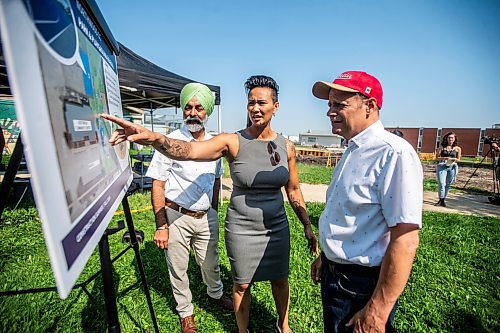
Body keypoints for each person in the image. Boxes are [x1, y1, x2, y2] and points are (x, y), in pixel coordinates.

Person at [101, 75, 318, 333]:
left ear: (276, 106)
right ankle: (242, 329)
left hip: (276, 226)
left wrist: (306, 224)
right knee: (241, 285)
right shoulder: (231, 141)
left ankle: (284, 324)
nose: (255, 108)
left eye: (261, 102)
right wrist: (155, 138)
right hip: (242, 227)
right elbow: (189, 150)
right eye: (251, 103)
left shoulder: (287, 147)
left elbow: (293, 189)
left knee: (280, 280)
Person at [310, 71, 422, 332]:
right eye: (329, 105)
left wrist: (378, 309)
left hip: (361, 287)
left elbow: (405, 238)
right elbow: (349, 215)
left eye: (339, 105)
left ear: (370, 106)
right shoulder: (352, 149)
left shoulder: (393, 153)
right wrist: (327, 256)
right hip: (335, 277)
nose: (330, 111)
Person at [145, 83, 233, 333]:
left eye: (199, 108)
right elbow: (158, 186)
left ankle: (215, 294)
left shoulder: (216, 144)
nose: (193, 113)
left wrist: (213, 210)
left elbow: (216, 180)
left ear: (207, 112)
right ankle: (186, 313)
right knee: (178, 268)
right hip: (176, 216)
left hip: (206, 217)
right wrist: (162, 225)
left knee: (210, 262)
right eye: (188, 107)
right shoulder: (170, 143)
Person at [435, 132, 461, 207]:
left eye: (452, 138)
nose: (450, 139)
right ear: (446, 138)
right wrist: (445, 158)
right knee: (442, 183)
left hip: (452, 166)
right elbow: (437, 157)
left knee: (448, 184)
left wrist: (454, 159)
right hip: (442, 165)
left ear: (454, 139)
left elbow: (459, 159)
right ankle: (441, 199)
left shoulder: (457, 149)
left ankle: (443, 199)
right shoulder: (442, 147)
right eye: (449, 137)